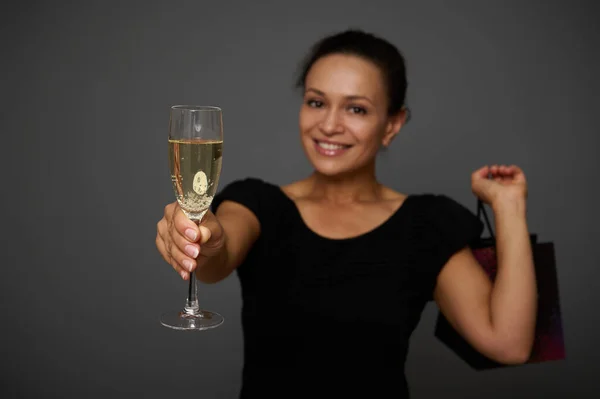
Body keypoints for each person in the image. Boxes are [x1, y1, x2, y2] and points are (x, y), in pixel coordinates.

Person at [155, 29, 537, 398]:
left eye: (356, 108)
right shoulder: (257, 203)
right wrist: (201, 238)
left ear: (392, 124)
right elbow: (215, 260)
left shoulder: (426, 224)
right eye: (317, 102)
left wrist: (509, 207)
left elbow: (508, 344)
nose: (329, 125)